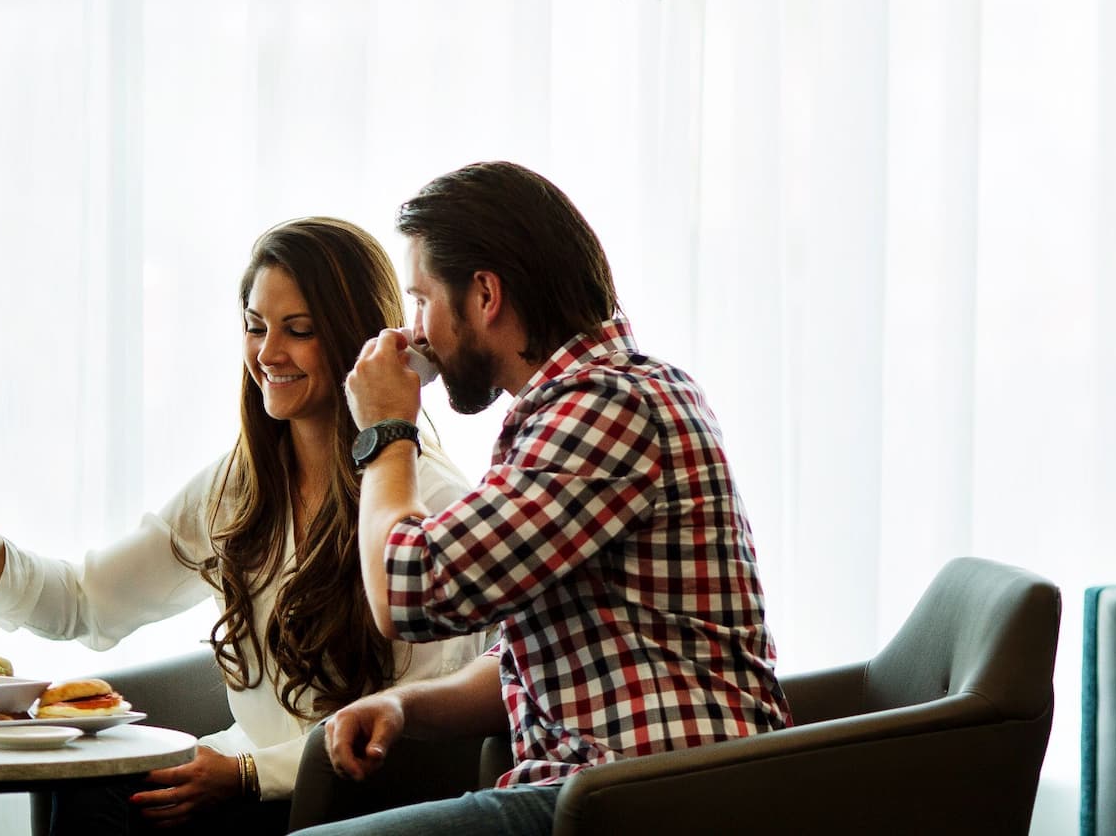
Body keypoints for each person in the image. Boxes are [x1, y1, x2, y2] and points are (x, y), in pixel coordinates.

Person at [0, 217, 487, 834]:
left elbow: (422, 712)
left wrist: (247, 774)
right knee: (86, 789)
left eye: (299, 331)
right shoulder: (237, 487)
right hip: (239, 771)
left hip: (347, 801)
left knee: (106, 806)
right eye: (255, 327)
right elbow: (89, 603)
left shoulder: (429, 497)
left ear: (357, 341)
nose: (267, 354)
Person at [311, 161, 790, 835]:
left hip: (647, 793)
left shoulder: (608, 407)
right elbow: (540, 652)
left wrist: (387, 431)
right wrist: (407, 706)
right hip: (606, 785)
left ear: (485, 295)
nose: (412, 332)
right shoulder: (597, 400)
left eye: (421, 299)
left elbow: (405, 587)